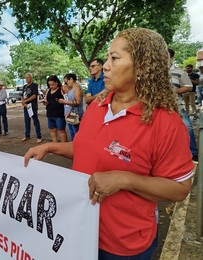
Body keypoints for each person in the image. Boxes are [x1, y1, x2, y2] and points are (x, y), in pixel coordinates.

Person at [24, 28, 194, 259]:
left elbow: (180, 189)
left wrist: (124, 180)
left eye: (114, 58)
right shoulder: (98, 105)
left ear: (142, 66)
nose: (105, 65)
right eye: (107, 58)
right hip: (80, 231)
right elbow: (89, 150)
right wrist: (50, 147)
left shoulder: (166, 122)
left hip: (122, 244)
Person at [169, 49, 198, 163]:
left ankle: (194, 153)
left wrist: (174, 91)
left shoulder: (179, 72)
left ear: (171, 58)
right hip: (156, 105)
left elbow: (188, 86)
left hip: (176, 104)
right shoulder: (152, 71)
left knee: (186, 126)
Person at [58, 73, 84, 141]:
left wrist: (64, 102)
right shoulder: (71, 89)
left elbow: (77, 102)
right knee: (72, 133)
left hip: (76, 114)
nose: (66, 84)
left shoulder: (77, 88)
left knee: (76, 134)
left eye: (66, 82)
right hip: (70, 114)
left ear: (71, 79)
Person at [43, 75, 67, 142]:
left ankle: (63, 146)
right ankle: (55, 145)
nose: (51, 86)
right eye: (49, 85)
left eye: (52, 84)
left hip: (59, 114)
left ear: (56, 82)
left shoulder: (62, 89)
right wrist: (45, 102)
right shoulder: (48, 90)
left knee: (61, 130)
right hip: (50, 114)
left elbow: (68, 98)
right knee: (52, 130)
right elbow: (47, 100)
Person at [21, 73, 42, 143]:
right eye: (26, 78)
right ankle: (27, 135)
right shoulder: (24, 87)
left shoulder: (34, 86)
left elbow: (34, 96)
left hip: (32, 106)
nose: (27, 79)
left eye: (28, 77)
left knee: (35, 121)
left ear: (31, 78)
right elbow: (22, 95)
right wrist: (23, 102)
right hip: (25, 106)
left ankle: (39, 136)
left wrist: (25, 101)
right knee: (27, 121)